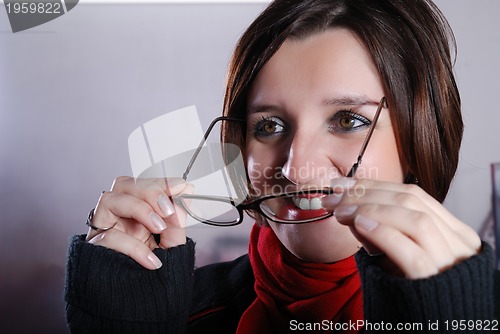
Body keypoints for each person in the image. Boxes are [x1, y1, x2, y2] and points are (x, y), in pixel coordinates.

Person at [65, 0, 499, 333]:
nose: (295, 169)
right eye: (269, 125)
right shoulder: (184, 308)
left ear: (421, 136)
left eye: (349, 120)